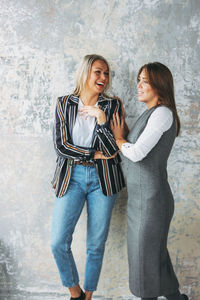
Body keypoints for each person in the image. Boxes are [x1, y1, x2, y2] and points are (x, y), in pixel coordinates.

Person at [111, 62, 188, 300]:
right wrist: (122, 130)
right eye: (139, 80)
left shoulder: (163, 114)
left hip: (153, 201)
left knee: (145, 262)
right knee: (155, 258)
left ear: (159, 84)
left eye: (145, 80)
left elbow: (136, 153)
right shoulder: (150, 114)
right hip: (141, 200)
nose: (139, 85)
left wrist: (118, 139)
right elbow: (133, 147)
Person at [50, 54, 125, 300]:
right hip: (71, 178)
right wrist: (92, 154)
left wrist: (102, 121)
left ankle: (88, 296)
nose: (103, 77)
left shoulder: (112, 106)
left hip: (103, 181)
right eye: (98, 72)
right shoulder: (64, 103)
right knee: (58, 242)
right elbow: (61, 146)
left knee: (95, 244)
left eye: (106, 73)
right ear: (85, 73)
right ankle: (75, 292)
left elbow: (114, 150)